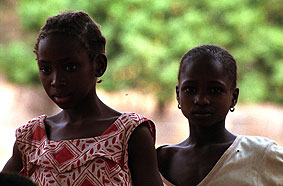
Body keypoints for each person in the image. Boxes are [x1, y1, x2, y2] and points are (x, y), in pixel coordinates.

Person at [2, 11, 163, 186]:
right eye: (46, 69)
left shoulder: (129, 133)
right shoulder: (30, 138)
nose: (56, 81)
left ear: (99, 65)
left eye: (70, 67)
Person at [157, 45, 283, 186]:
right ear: (178, 94)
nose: (201, 100)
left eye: (215, 90)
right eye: (190, 89)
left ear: (233, 97)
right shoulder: (157, 160)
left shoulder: (260, 155)